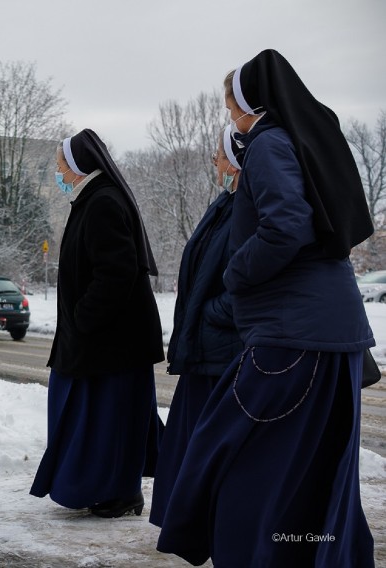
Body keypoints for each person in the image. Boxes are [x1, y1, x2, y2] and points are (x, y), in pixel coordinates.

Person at [157, 49, 375, 567]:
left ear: (250, 102)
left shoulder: (268, 143)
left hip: (290, 335)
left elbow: (287, 225)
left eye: (230, 104)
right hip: (325, 332)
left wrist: (237, 272)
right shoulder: (301, 143)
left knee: (238, 455)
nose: (230, 117)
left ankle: (254, 555)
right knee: (311, 462)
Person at [30, 128, 164, 518]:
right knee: (109, 420)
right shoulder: (93, 198)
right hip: (104, 343)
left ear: (76, 166)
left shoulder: (102, 201)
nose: (57, 173)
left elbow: (117, 271)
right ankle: (109, 489)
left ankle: (119, 493)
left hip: (109, 343)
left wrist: (84, 318)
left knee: (109, 422)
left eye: (59, 166)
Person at [148, 125, 244, 527]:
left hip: (222, 352)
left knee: (208, 447)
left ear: (236, 163)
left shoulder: (246, 209)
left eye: (220, 156)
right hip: (203, 351)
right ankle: (191, 525)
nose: (214, 163)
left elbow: (247, 281)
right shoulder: (225, 202)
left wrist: (211, 314)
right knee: (188, 445)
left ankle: (206, 525)